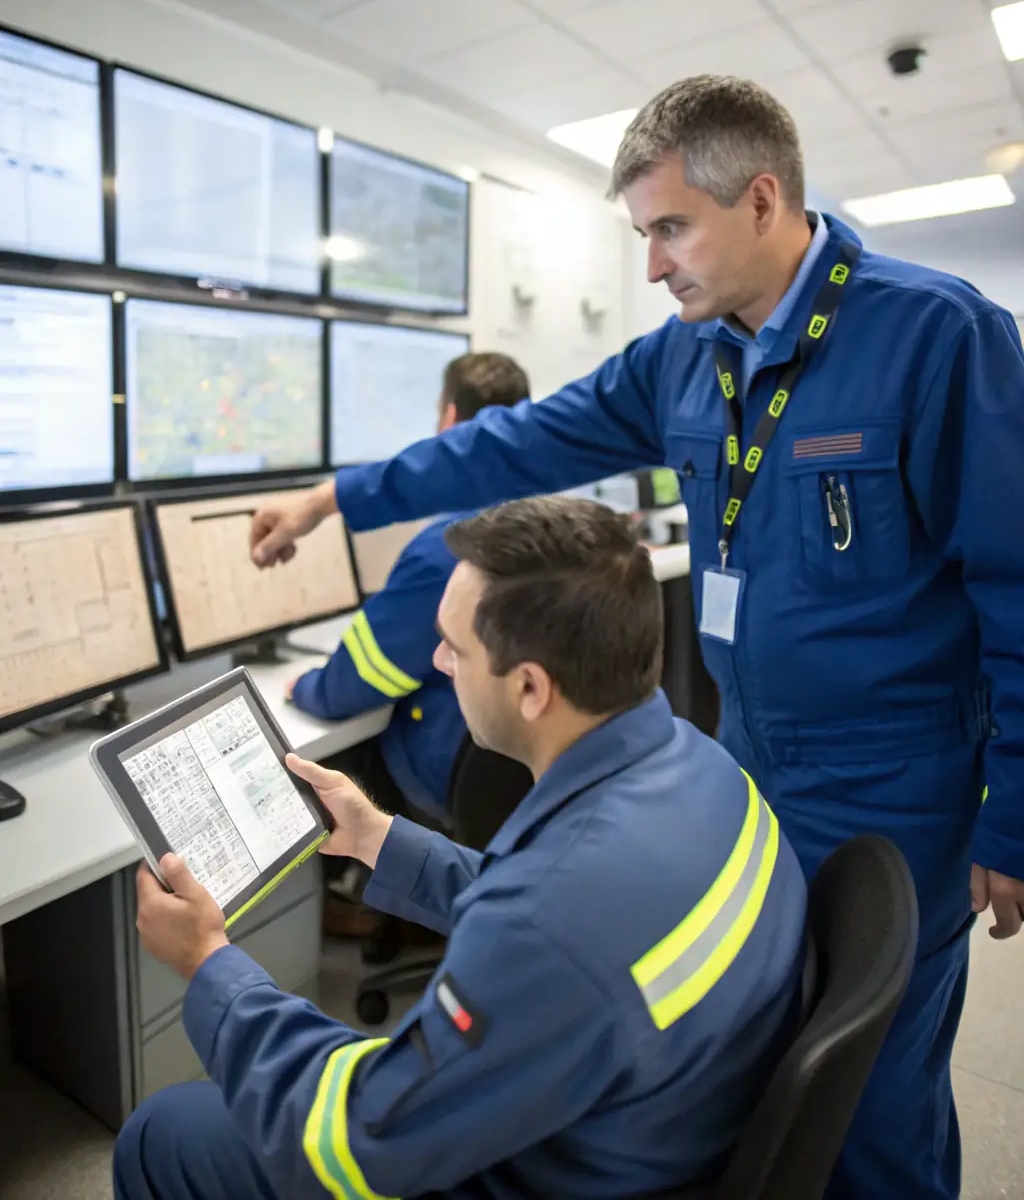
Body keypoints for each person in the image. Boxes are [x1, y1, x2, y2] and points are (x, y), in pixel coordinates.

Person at [249, 74, 1024, 1200]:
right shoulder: (682, 357)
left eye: (670, 228)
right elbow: (510, 446)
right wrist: (340, 496)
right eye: (643, 233)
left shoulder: (934, 336)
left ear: (762, 201)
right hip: (750, 765)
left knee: (875, 1097)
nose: (653, 264)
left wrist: (1017, 803)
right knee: (772, 1067)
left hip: (898, 785)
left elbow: (1017, 580)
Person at [118, 496, 807, 1200]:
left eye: (456, 646)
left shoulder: (547, 923)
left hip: (570, 1166)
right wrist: (375, 836)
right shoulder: (705, 766)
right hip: (659, 1116)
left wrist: (209, 964)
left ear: (531, 687)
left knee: (164, 1129)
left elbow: (353, 1140)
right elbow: (555, 905)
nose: (441, 663)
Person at [287, 351, 530, 829]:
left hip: (452, 768)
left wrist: (306, 688)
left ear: (449, 419)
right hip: (526, 771)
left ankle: (354, 896)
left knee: (340, 762)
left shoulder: (451, 549)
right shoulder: (546, 517)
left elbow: (354, 686)